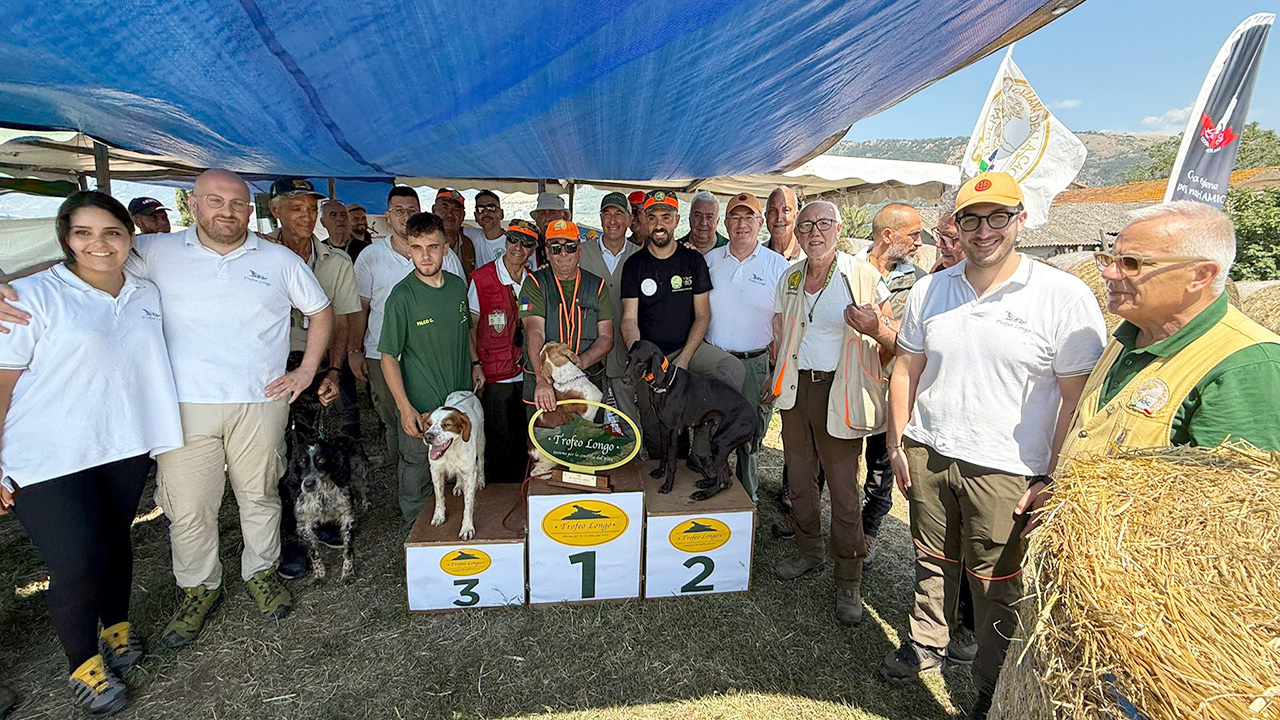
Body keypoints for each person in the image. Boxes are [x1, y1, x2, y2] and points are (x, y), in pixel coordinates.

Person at [881, 173, 1107, 719]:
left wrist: (1053, 475)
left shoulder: (1063, 296)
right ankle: (926, 643)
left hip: (1009, 469)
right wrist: (896, 443)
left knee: (995, 585)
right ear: (955, 227)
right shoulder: (932, 290)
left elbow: (1079, 401)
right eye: (971, 219)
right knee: (931, 560)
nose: (984, 230)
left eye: (997, 217)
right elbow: (907, 368)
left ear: (1021, 220)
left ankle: (991, 683)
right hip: (931, 451)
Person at [0, 192, 183, 715]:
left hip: (122, 443)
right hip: (47, 454)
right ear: (66, 239)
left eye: (112, 233)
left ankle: (118, 629)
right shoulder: (32, 296)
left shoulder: (146, 292)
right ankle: (84, 663)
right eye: (84, 233)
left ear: (131, 238)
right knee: (76, 559)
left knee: (112, 542)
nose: (99, 244)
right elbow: (3, 383)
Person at [1021, 201, 1280, 530]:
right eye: (1110, 260)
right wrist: (1055, 486)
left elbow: (1234, 521)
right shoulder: (1127, 335)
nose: (1109, 273)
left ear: (1201, 275)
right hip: (1090, 562)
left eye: (1131, 263)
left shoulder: (1245, 365)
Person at [763, 200, 889, 626]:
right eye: (805, 227)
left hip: (841, 391)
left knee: (843, 492)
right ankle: (809, 552)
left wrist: (875, 328)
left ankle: (848, 579)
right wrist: (774, 375)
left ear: (838, 229)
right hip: (798, 391)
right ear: (796, 235)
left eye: (822, 225)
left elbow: (891, 335)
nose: (813, 233)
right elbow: (780, 331)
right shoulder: (792, 275)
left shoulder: (860, 275)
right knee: (798, 482)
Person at [379, 212, 484, 534]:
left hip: (460, 399)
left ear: (446, 248)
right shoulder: (402, 296)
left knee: (462, 464)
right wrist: (404, 406)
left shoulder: (456, 286)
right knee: (418, 467)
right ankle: (416, 532)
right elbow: (388, 356)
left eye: (433, 247)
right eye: (417, 247)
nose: (425, 255)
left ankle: (454, 529)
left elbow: (465, 330)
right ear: (408, 249)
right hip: (423, 402)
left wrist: (475, 361)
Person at [621, 190, 744, 460]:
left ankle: (700, 448)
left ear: (677, 220)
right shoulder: (634, 265)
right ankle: (661, 471)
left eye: (666, 217)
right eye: (652, 217)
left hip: (687, 349)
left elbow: (703, 316)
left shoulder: (693, 260)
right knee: (656, 428)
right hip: (650, 356)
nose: (659, 224)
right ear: (643, 219)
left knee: (732, 369)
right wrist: (639, 356)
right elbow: (629, 318)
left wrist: (685, 359)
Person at [844, 203, 929, 566]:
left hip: (893, 385)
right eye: (913, 235)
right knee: (837, 457)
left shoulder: (922, 282)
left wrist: (881, 328)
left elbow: (917, 345)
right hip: (848, 382)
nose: (919, 242)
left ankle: (869, 530)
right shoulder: (846, 268)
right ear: (888, 236)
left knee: (881, 464)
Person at [704, 193, 789, 503]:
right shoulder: (710, 261)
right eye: (735, 218)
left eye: (748, 217)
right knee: (710, 429)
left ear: (760, 223)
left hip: (754, 364)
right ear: (725, 224)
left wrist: (775, 372)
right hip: (716, 360)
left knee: (748, 437)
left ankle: (746, 500)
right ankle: (713, 493)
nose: (742, 224)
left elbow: (782, 323)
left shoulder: (778, 266)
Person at [353, 186, 421, 470]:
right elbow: (362, 308)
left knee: (424, 413)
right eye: (399, 211)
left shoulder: (439, 253)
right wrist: (355, 350)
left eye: (412, 211)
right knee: (393, 418)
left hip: (425, 353)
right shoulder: (370, 256)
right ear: (387, 216)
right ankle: (401, 477)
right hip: (380, 351)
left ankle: (428, 479)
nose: (405, 217)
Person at [519, 219, 614, 418]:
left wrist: (583, 361)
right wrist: (541, 379)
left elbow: (606, 337)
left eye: (569, 247)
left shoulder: (597, 286)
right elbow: (534, 331)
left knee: (587, 443)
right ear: (546, 251)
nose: (563, 253)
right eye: (555, 247)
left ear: (579, 249)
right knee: (543, 445)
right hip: (546, 385)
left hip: (586, 384)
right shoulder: (534, 283)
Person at [468, 220, 537, 481]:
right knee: (498, 438)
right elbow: (470, 327)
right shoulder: (482, 278)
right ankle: (498, 497)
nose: (519, 247)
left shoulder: (534, 280)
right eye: (514, 240)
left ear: (533, 249)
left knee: (524, 436)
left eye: (527, 242)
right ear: (506, 241)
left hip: (527, 372)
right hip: (494, 372)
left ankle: (523, 492)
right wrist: (475, 365)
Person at [579, 192, 642, 429]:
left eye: (619, 214)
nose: (613, 220)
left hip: (624, 352)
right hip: (588, 350)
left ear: (629, 220)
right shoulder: (580, 252)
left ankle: (632, 462)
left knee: (628, 415)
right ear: (600, 218)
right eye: (607, 214)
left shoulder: (640, 256)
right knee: (587, 414)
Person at [434, 188, 477, 278]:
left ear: (463, 216)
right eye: (444, 207)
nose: (450, 214)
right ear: (434, 210)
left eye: (456, 209)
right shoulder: (424, 243)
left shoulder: (468, 244)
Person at [465, 189, 508, 269]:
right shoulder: (473, 235)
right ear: (476, 216)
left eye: (491, 208)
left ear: (501, 214)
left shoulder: (512, 243)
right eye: (480, 209)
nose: (485, 213)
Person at [765, 187, 801, 260]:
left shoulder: (809, 254)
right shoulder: (756, 256)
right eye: (773, 211)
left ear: (797, 216)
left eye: (786, 210)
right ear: (766, 216)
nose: (779, 218)